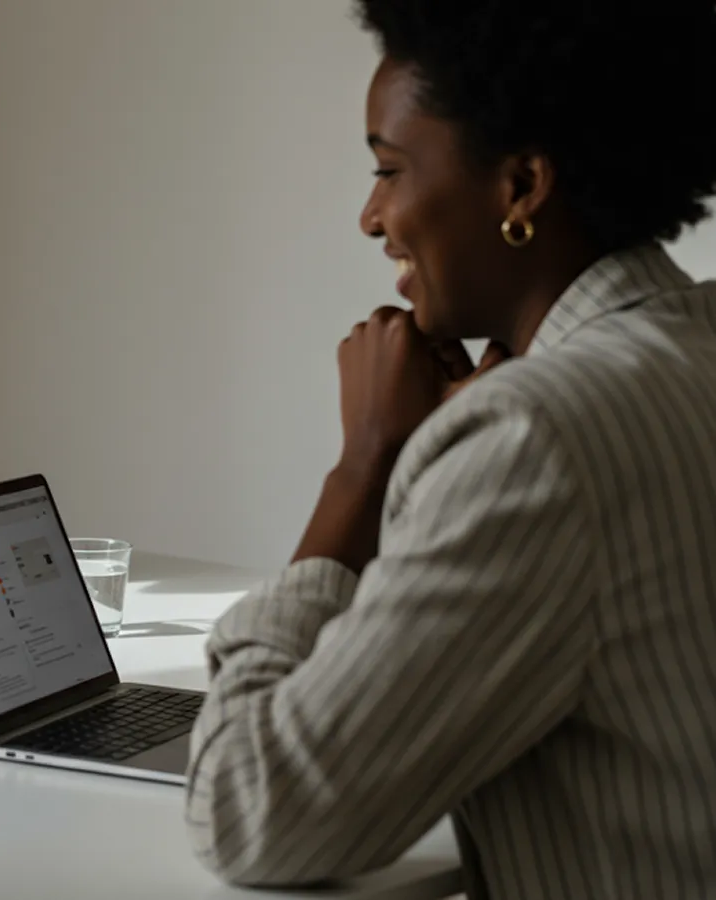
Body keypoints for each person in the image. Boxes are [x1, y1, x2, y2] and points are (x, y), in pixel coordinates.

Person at [185, 0, 716, 896]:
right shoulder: (688, 341)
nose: (369, 215)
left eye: (388, 170)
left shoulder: (536, 438)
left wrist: (360, 473)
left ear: (520, 188)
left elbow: (250, 812)